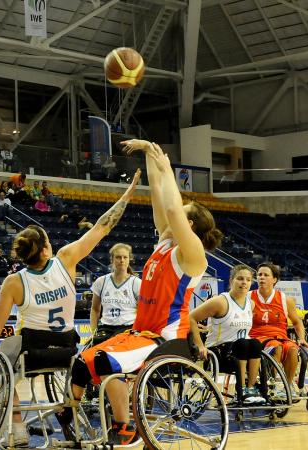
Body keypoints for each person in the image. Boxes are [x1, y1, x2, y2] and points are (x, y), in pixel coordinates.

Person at [0, 167, 141, 447]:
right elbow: (102, 226)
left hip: (32, 354)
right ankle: (70, 410)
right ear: (46, 250)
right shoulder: (66, 260)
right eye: (48, 240)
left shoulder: (14, 282)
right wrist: (129, 193)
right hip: (67, 351)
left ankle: (18, 426)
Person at [64, 140, 222, 445]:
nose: (169, 217)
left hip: (165, 338)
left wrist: (168, 171)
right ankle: (68, 414)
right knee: (82, 362)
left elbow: (174, 207)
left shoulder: (193, 255)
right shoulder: (166, 241)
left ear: (188, 225)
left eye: (180, 217)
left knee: (103, 362)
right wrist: (151, 154)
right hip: (141, 332)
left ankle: (124, 426)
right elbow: (160, 202)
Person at [190, 265, 265, 405]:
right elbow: (191, 318)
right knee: (243, 344)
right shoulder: (220, 301)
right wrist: (200, 346)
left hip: (241, 349)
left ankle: (251, 388)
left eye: (248, 280)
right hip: (218, 351)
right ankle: (241, 388)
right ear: (231, 280)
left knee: (255, 343)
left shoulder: (251, 304)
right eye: (240, 279)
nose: (244, 282)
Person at [249, 262, 307, 394]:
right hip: (257, 338)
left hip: (281, 337)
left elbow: (297, 322)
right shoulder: (248, 297)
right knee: (276, 347)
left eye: (265, 275)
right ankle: (271, 385)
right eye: (259, 275)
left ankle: (287, 387)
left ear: (274, 279)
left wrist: (302, 338)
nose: (261, 277)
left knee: (292, 348)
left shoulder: (285, 299)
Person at [90, 243, 141, 342]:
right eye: (118, 257)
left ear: (129, 259)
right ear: (112, 260)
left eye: (125, 257)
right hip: (106, 328)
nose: (122, 260)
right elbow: (95, 309)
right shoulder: (101, 281)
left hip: (128, 328)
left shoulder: (136, 283)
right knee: (95, 353)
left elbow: (142, 311)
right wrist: (93, 331)